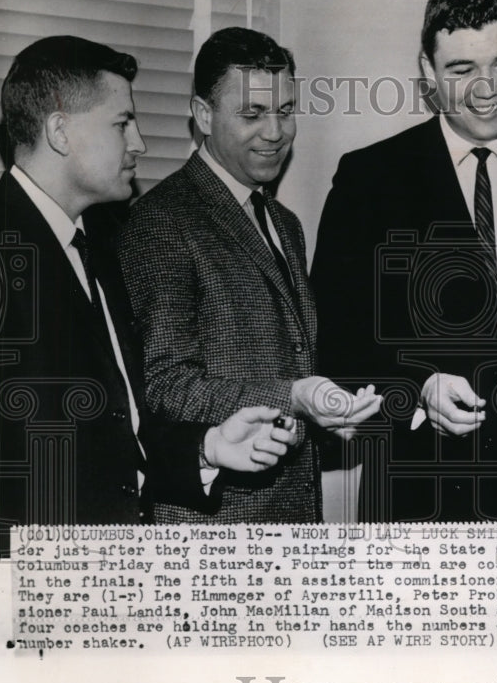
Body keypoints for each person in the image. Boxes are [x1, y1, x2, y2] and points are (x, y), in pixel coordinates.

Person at [0, 36, 294, 557]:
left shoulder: (100, 245)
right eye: (121, 123)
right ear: (60, 131)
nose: (140, 144)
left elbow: (118, 428)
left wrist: (211, 447)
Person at [310, 0, 497, 522]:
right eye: (463, 69)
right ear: (427, 74)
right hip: (414, 506)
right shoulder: (369, 178)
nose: (488, 88)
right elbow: (334, 341)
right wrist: (417, 389)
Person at [117, 27, 381, 525]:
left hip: (294, 522)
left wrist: (327, 406)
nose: (276, 132)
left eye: (285, 111)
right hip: (214, 528)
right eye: (253, 114)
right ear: (202, 115)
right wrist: (293, 396)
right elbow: (166, 386)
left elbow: (298, 358)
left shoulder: (286, 225)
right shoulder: (160, 222)